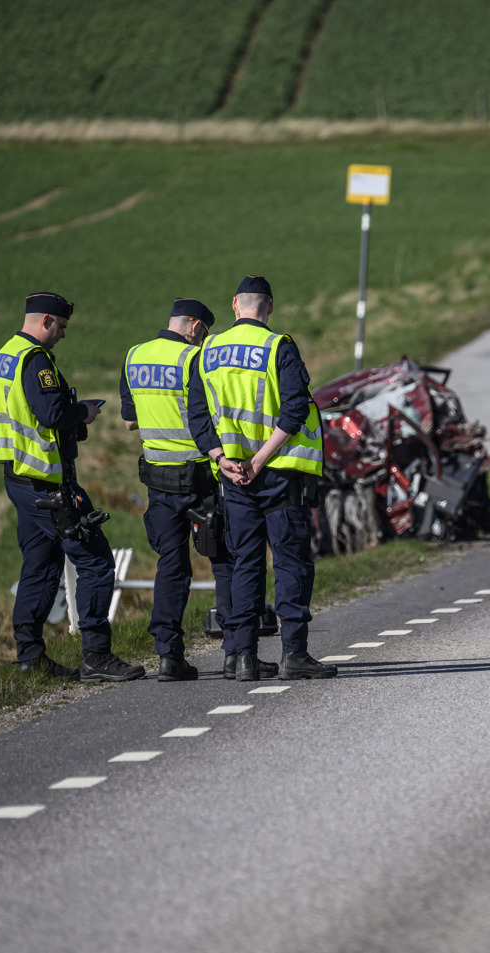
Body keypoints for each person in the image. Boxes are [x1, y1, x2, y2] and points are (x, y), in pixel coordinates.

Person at [0, 292, 144, 682]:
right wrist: (84, 413)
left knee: (40, 565)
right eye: (60, 327)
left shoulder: (4, 356)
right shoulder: (35, 360)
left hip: (19, 480)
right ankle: (96, 655)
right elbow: (51, 412)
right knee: (95, 561)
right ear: (45, 321)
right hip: (48, 483)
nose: (62, 335)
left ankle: (30, 657)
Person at [121, 299, 279, 681]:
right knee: (225, 561)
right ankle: (234, 653)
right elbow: (207, 414)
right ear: (193, 326)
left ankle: (168, 656)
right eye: (203, 332)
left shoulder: (135, 356)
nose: (202, 339)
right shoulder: (194, 360)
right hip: (201, 479)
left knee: (171, 568)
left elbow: (130, 422)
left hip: (158, 481)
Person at [201, 275, 335, 681]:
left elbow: (197, 414)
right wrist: (259, 460)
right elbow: (294, 412)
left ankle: (243, 657)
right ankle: (294, 655)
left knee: (245, 563)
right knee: (291, 562)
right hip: (278, 473)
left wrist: (222, 458)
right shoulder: (279, 347)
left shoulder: (208, 350)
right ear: (270, 308)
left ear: (234, 305)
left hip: (232, 475)